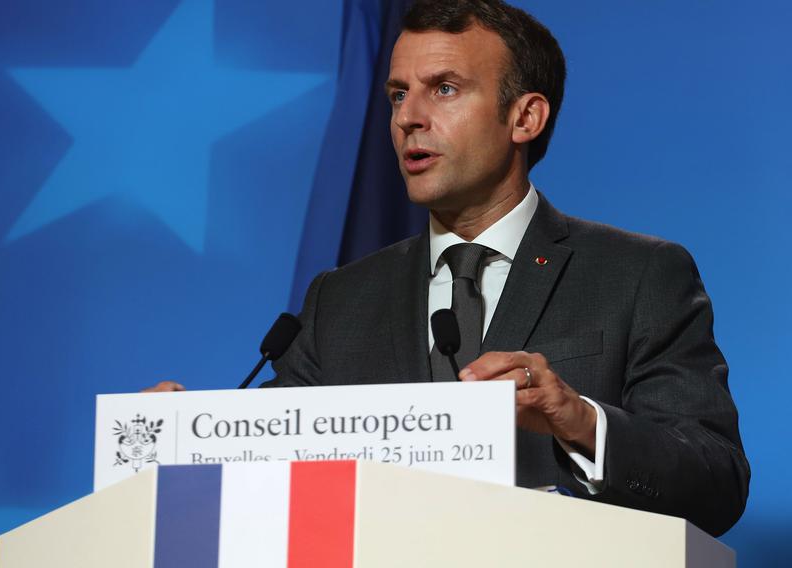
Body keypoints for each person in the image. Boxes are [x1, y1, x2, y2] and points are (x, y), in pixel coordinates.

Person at [146, 0, 749, 536]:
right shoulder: (341, 299)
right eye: (398, 94)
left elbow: (715, 483)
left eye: (445, 89)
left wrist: (579, 420)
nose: (408, 117)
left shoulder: (639, 275)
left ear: (525, 118)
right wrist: (181, 442)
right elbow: (271, 460)